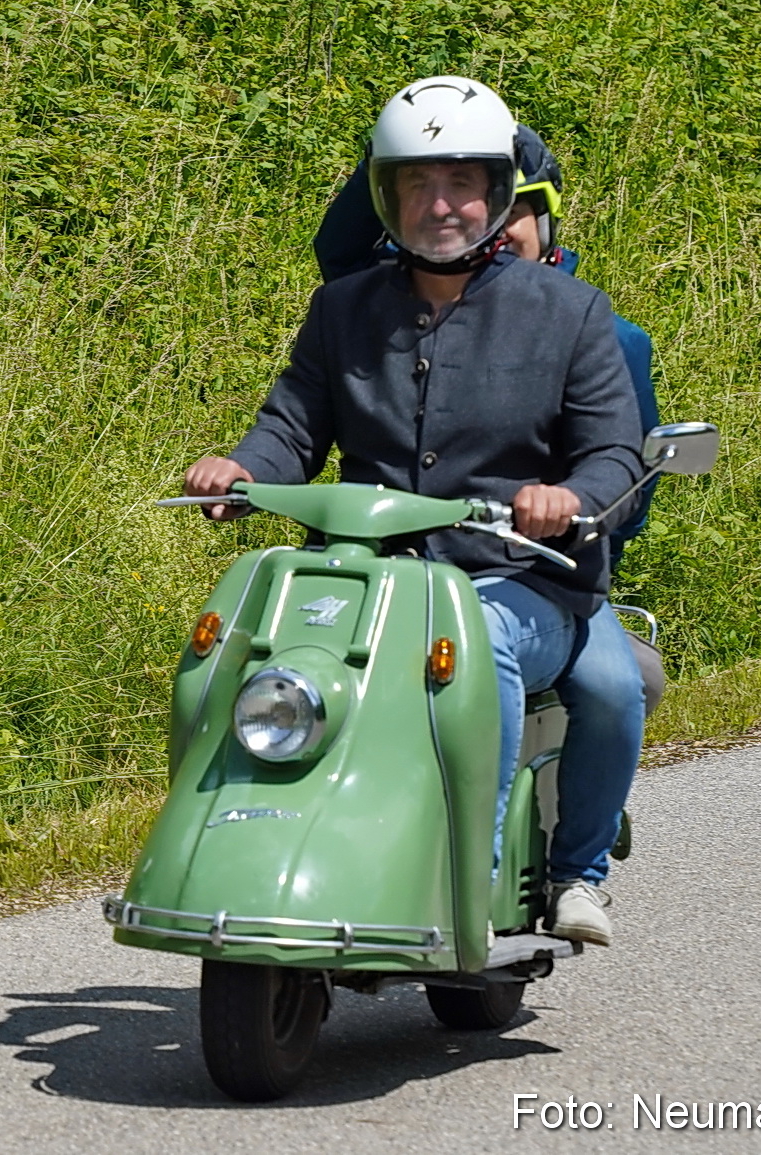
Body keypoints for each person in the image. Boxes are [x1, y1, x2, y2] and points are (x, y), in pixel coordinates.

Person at [184, 77, 645, 945]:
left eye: (462, 184)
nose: (441, 205)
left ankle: (494, 866)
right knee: (233, 636)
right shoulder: (343, 310)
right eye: (417, 186)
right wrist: (242, 469)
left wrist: (568, 498)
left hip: (519, 577)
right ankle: (234, 834)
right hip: (368, 578)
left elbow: (615, 453)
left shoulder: (572, 313)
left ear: (497, 192)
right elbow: (293, 425)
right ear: (387, 197)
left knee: (496, 650)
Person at [313, 127, 661, 569]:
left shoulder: (602, 333)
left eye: (510, 212)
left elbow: (627, 473)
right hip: (387, 557)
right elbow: (341, 255)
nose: (492, 233)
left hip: (535, 563)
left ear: (544, 219)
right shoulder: (406, 300)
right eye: (483, 212)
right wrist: (398, 144)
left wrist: (574, 526)